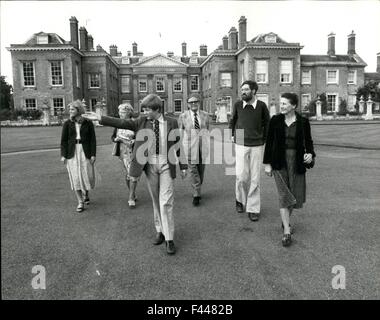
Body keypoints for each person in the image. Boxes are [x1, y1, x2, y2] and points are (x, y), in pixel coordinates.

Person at [83, 94, 188, 255]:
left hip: (167, 165)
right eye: (143, 110)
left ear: (157, 109)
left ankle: (169, 239)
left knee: (166, 201)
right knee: (155, 200)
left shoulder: (172, 122)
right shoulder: (141, 121)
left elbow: (178, 144)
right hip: (149, 166)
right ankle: (160, 230)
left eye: (147, 110)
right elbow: (122, 122)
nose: (144, 113)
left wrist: (183, 166)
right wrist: (100, 118)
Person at [263, 93, 316, 247]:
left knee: (294, 194)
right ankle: (287, 230)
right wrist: (267, 163)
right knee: (284, 194)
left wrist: (310, 154)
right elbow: (269, 142)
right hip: (279, 162)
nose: (282, 106)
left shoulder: (303, 122)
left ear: (293, 106)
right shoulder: (275, 120)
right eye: (281, 103)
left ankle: (285, 219)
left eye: (285, 104)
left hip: (297, 161)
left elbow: (309, 142)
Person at [229, 80, 270, 222]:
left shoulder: (262, 106)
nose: (243, 92)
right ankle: (240, 200)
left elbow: (267, 124)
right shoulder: (238, 105)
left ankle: (253, 208)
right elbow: (233, 120)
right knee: (241, 176)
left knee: (255, 178)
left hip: (257, 144)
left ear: (253, 91)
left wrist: (263, 139)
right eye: (242, 90)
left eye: (246, 89)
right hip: (240, 142)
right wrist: (232, 135)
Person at [60, 100, 97, 213]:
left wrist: (93, 154)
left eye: (72, 109)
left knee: (86, 175)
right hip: (72, 152)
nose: (70, 111)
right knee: (75, 176)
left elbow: (92, 140)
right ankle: (80, 201)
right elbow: (64, 141)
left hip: (85, 151)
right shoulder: (67, 123)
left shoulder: (88, 123)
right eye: (70, 109)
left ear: (79, 110)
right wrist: (63, 155)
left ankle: (86, 193)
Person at [178, 96, 210, 206]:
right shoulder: (183, 116)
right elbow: (180, 132)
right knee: (193, 170)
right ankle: (196, 194)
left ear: (198, 103)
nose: (193, 104)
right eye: (191, 102)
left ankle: (198, 187)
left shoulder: (205, 115)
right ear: (187, 104)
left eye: (195, 102)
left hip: (203, 146)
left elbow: (207, 129)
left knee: (201, 170)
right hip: (189, 147)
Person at [111, 103, 139, 208]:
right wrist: (116, 139)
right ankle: (132, 193)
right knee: (128, 175)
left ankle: (131, 197)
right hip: (122, 152)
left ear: (128, 112)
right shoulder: (118, 124)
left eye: (122, 112)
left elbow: (139, 138)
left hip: (133, 151)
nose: (120, 114)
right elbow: (113, 137)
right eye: (119, 112)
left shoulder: (135, 123)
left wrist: (127, 141)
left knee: (133, 175)